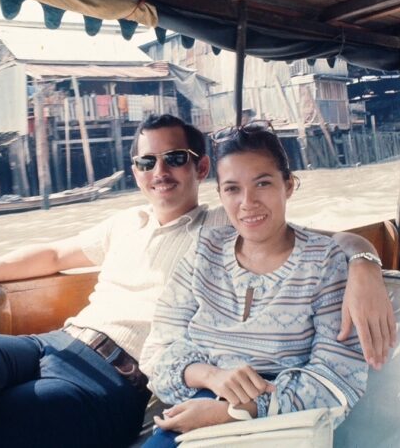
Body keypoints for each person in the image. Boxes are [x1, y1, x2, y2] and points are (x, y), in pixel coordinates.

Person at [0, 114, 392, 448]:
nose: (160, 171)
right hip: (57, 342)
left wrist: (364, 261)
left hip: (119, 377)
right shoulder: (124, 223)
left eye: (175, 159)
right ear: (135, 171)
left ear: (201, 170)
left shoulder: (223, 222)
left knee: (10, 419)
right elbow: (53, 253)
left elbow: (315, 239)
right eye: (146, 161)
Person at [140, 122, 367, 446]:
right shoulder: (205, 249)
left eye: (262, 183)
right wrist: (211, 377)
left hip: (282, 417)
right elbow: (157, 352)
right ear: (220, 194)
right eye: (232, 189)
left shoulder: (323, 261)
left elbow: (338, 378)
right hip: (199, 402)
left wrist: (236, 411)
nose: (248, 202)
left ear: (288, 185)